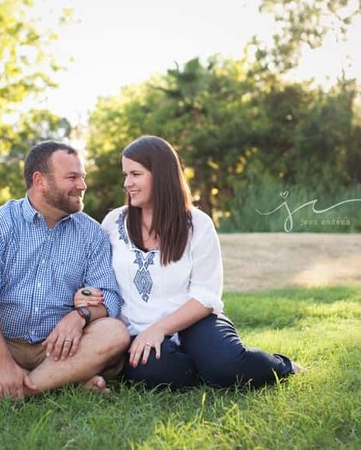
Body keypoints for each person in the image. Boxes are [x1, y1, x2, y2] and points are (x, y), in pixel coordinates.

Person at [75, 135, 301, 390]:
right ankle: (204, 366)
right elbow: (99, 277)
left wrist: (160, 329)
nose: (127, 183)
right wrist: (86, 294)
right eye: (125, 175)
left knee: (228, 367)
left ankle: (282, 365)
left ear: (161, 175)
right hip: (137, 329)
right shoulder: (114, 222)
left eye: (136, 174)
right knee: (160, 373)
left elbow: (206, 295)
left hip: (194, 322)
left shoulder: (198, 224)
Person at [0, 141, 130, 410]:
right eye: (72, 177)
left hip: (61, 348)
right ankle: (62, 382)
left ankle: (13, 390)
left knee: (114, 333)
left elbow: (109, 297)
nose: (82, 185)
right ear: (40, 181)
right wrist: (1, 361)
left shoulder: (92, 234)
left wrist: (80, 316)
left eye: (82, 177)